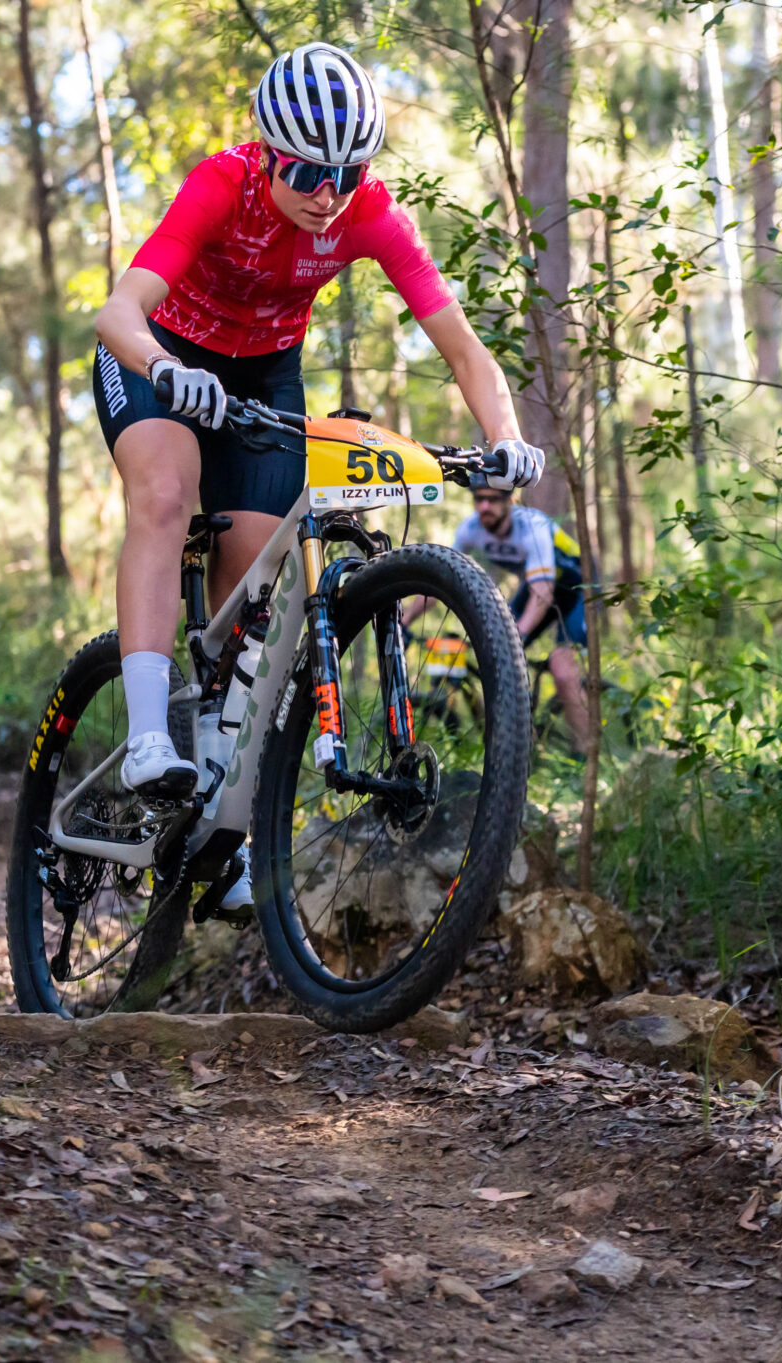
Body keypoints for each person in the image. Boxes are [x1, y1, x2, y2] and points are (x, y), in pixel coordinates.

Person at [89, 42, 544, 903]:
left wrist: (506, 436)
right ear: (268, 150)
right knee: (164, 492)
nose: (326, 192)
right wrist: (165, 368)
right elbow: (119, 311)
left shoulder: (369, 212)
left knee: (257, 587)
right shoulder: (221, 183)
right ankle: (150, 730)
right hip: (160, 355)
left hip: (264, 370)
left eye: (346, 171)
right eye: (305, 170)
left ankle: (221, 826)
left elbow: (461, 346)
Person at [441, 485, 595, 753]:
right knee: (496, 650)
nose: (484, 506)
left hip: (578, 588)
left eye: (492, 499)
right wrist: (404, 622)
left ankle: (587, 752)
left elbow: (544, 591)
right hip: (538, 588)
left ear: (510, 500)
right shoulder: (470, 529)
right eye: (479, 499)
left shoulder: (533, 525)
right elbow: (441, 579)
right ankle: (523, 742)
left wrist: (518, 634)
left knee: (562, 670)